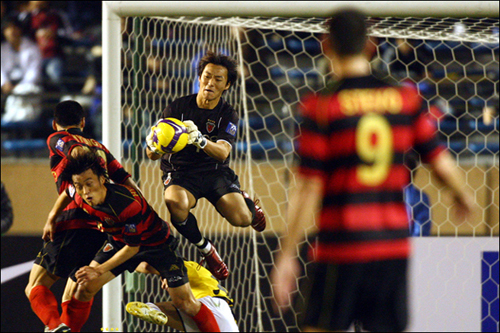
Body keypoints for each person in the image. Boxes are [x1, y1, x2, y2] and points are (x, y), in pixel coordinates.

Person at [271, 8, 475, 332]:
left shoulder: (321, 106)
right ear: (371, 45)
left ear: (326, 45)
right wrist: (462, 193)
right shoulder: (404, 98)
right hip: (392, 248)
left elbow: (308, 187)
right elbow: (438, 158)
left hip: (342, 246)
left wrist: (287, 255)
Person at [46, 149, 221, 332]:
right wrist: (52, 218)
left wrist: (97, 270)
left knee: (185, 303)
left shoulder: (126, 204)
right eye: (80, 185)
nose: (85, 191)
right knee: (84, 288)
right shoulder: (80, 193)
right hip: (119, 242)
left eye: (89, 184)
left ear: (103, 179)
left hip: (157, 245)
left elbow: (132, 248)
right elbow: (68, 192)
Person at [145, 51, 266, 281]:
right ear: (199, 77)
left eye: (218, 79)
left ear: (227, 85)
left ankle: (247, 203)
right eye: (207, 76)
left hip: (214, 171)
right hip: (179, 173)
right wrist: (156, 147)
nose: (210, 82)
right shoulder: (177, 108)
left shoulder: (227, 114)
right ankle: (207, 249)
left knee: (242, 219)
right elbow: (151, 153)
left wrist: (199, 139)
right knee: (174, 203)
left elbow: (222, 153)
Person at [24, 100, 141, 332]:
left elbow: (71, 149)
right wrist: (143, 212)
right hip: (99, 227)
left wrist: (52, 216)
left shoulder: (57, 138)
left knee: (34, 286)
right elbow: (127, 183)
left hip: (72, 222)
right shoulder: (99, 147)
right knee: (75, 290)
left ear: (55, 123)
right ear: (84, 122)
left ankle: (55, 327)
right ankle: (67, 328)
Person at [127, 260, 239, 332]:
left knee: (185, 305)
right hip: (219, 315)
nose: (163, 286)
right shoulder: (202, 277)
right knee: (186, 308)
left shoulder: (187, 267)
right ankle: (154, 309)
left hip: (212, 306)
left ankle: (154, 309)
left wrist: (123, 260)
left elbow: (146, 266)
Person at [1, 16, 43, 125]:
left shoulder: (32, 48)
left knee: (26, 93)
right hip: (7, 87)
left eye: (14, 28)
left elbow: (34, 72)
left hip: (26, 86)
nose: (12, 31)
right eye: (8, 29)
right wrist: (4, 83)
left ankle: (13, 120)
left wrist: (19, 87)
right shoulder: (2, 49)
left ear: (20, 29)